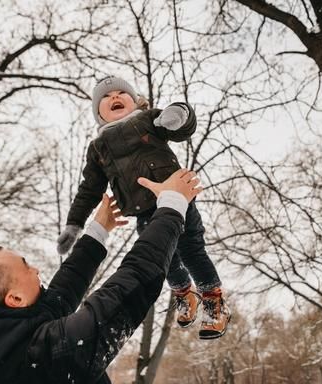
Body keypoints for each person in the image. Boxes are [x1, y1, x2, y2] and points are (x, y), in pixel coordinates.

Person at [0, 169, 201, 384]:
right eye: (25, 266)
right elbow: (123, 294)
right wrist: (172, 207)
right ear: (15, 298)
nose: (35, 270)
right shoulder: (31, 359)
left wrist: (97, 232)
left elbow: (56, 299)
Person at [56, 75, 230, 339]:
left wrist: (178, 115)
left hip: (177, 198)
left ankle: (213, 300)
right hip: (144, 213)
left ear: (135, 100)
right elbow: (89, 189)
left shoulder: (148, 120)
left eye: (120, 93)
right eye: (105, 96)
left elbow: (182, 127)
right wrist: (74, 224)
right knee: (164, 259)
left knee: (191, 250)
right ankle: (184, 293)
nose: (114, 97)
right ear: (98, 113)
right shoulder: (98, 148)